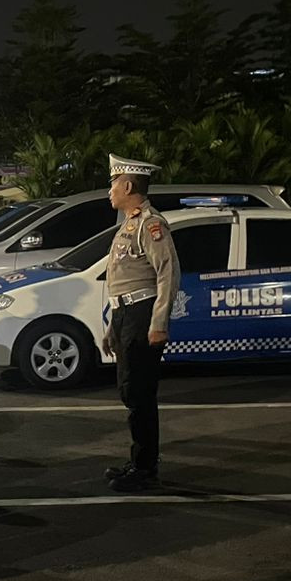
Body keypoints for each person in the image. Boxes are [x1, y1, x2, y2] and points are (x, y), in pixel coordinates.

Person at [100, 155, 178, 493]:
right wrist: (111, 327)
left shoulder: (150, 224)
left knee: (140, 393)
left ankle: (145, 470)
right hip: (125, 316)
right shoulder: (129, 223)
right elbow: (123, 281)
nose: (110, 191)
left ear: (128, 186)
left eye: (113, 184)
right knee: (130, 390)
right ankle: (138, 461)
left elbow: (168, 274)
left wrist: (159, 322)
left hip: (142, 315)